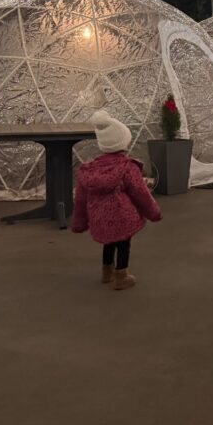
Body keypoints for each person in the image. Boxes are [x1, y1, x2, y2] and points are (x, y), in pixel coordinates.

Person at [71, 110, 162, 290]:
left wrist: (79, 222)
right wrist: (153, 212)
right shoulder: (127, 167)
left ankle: (107, 272)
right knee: (123, 244)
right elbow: (140, 192)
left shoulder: (89, 170)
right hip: (122, 217)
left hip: (100, 218)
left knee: (108, 242)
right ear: (124, 142)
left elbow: (80, 199)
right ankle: (122, 275)